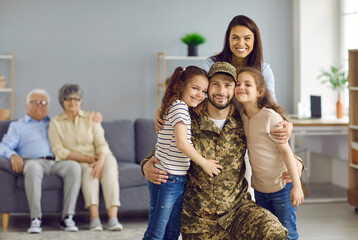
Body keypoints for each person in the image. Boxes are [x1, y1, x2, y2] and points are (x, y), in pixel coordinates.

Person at [142, 62, 303, 239]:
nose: (221, 91)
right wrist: (145, 166)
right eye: (215, 84)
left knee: (275, 232)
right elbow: (165, 147)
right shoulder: (188, 118)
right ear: (207, 88)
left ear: (235, 90)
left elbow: (267, 143)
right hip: (199, 222)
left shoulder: (243, 120)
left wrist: (298, 163)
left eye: (228, 85)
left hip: (238, 212)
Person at [142, 66, 223, 240]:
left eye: (204, 91)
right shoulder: (179, 108)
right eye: (195, 88)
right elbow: (181, 143)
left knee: (171, 232)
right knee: (156, 232)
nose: (200, 95)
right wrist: (204, 163)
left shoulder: (179, 107)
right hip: (167, 179)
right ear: (181, 86)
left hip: (177, 179)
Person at [235, 67, 304, 240]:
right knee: (266, 233)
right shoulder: (241, 116)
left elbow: (286, 152)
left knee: (288, 233)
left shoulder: (270, 117)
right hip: (260, 189)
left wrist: (297, 186)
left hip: (282, 188)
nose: (241, 87)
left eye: (247, 84)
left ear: (260, 92)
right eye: (238, 83)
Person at [0, 89, 81, 233]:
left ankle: (67, 217)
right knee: (32, 167)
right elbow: (3, 146)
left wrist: (94, 116)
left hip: (57, 162)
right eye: (35, 102)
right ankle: (36, 219)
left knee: (74, 167)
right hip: (33, 162)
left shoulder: (56, 122)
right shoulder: (18, 126)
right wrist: (12, 155)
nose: (39, 105)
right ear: (27, 105)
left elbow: (77, 118)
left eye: (43, 102)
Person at [48, 84, 123, 231]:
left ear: (81, 101)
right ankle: (94, 219)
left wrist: (100, 161)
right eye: (68, 98)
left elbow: (101, 142)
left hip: (102, 155)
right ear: (62, 101)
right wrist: (86, 159)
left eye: (76, 98)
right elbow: (58, 150)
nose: (73, 102)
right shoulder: (55, 123)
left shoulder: (91, 118)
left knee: (109, 174)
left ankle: (113, 219)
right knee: (89, 175)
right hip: (78, 159)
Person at [202, 15, 276, 101]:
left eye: (247, 38)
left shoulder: (263, 70)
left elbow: (271, 102)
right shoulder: (211, 63)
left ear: (254, 41)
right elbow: (201, 93)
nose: (241, 43)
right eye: (235, 38)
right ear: (228, 39)